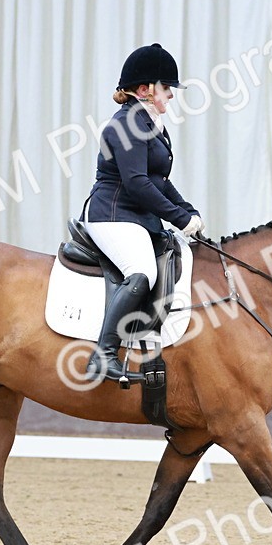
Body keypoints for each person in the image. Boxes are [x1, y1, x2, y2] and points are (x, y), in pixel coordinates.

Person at [82, 43, 204, 383]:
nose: (171, 96)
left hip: (133, 216)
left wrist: (188, 211)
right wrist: (179, 219)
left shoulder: (151, 125)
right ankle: (103, 355)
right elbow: (136, 184)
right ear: (144, 90)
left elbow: (159, 181)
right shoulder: (124, 126)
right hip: (111, 214)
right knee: (142, 272)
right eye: (167, 88)